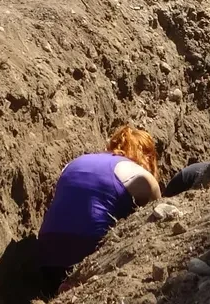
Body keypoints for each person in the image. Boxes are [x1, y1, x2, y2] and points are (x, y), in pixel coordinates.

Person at [35, 126, 162, 296]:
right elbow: (159, 223)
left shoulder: (75, 162)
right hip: (87, 249)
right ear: (148, 156)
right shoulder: (141, 175)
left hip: (46, 250)